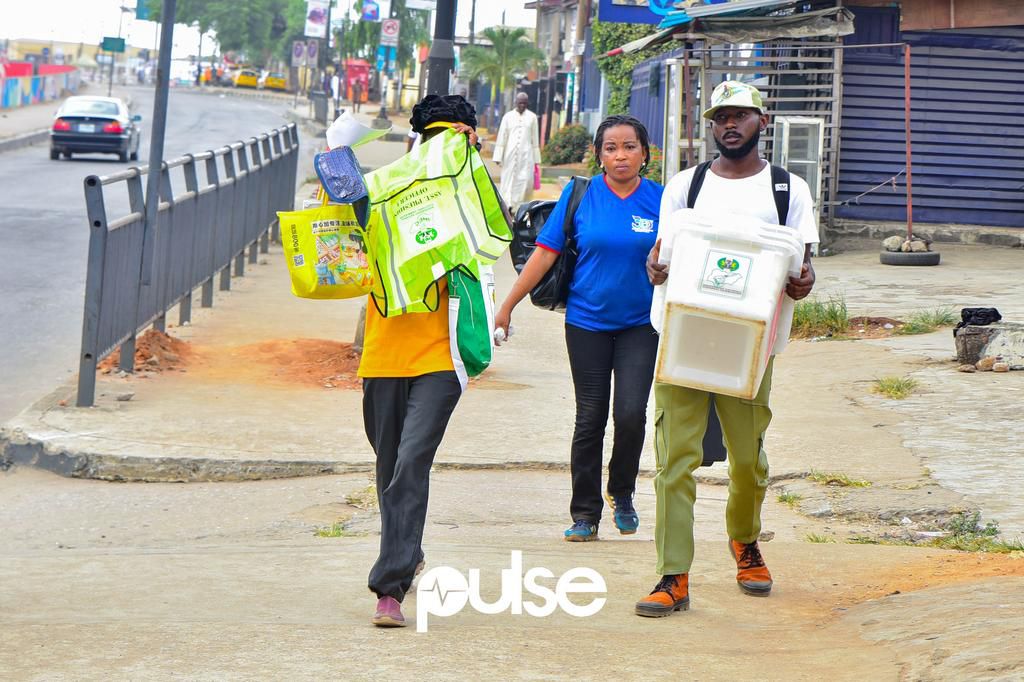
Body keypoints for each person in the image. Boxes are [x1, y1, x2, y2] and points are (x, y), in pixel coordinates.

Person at [634, 81, 818, 617]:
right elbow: (661, 256)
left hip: (751, 347)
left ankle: (745, 539)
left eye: (740, 116)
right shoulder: (685, 187)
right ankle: (673, 576)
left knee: (747, 460)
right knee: (674, 460)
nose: (728, 125)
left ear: (763, 122)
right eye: (719, 117)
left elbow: (802, 263)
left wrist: (804, 282)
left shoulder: (787, 190)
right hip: (685, 338)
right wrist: (654, 268)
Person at [495, 115, 663, 542]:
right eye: (610, 148)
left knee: (630, 416)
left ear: (645, 153)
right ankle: (585, 513)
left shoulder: (663, 201)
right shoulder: (580, 194)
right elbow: (546, 253)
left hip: (641, 326)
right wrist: (508, 304)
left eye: (629, 146)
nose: (620, 155)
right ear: (599, 155)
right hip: (586, 322)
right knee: (589, 418)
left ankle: (621, 492)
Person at [359, 95, 482, 628]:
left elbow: (492, 237)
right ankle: (408, 552)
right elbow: (339, 230)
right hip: (384, 353)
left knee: (411, 462)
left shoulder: (473, 194)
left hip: (442, 355)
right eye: (435, 139)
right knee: (390, 470)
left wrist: (469, 162)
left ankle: (390, 588)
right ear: (418, 140)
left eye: (455, 138)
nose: (443, 149)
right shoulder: (385, 188)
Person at [493, 92, 541, 208]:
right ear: (516, 102)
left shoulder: (532, 117)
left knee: (525, 181)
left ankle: (520, 207)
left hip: (526, 156)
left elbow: (535, 139)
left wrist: (536, 159)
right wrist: (498, 156)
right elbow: (502, 136)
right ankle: (507, 205)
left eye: (524, 103)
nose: (522, 105)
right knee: (508, 179)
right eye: (520, 103)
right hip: (510, 154)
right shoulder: (507, 117)